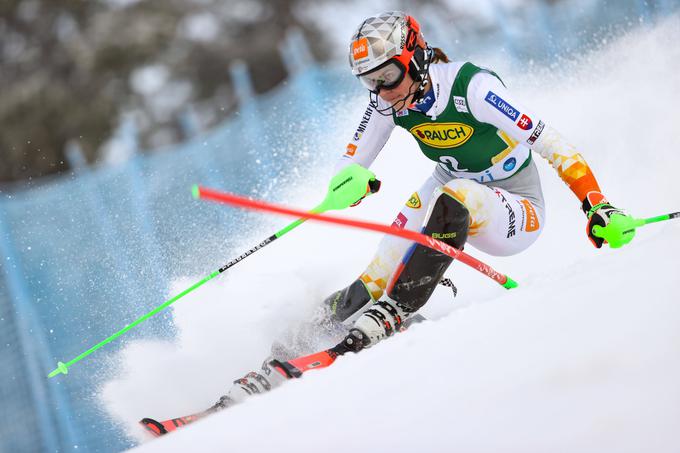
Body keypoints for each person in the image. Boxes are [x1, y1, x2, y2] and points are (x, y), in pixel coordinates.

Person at [143, 11, 640, 432]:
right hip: (450, 187)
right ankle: (288, 348)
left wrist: (597, 205)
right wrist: (351, 182)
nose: (381, 91)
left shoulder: (474, 87)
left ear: (416, 59)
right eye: (369, 81)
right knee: (377, 270)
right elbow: (353, 159)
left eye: (388, 76)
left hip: (516, 207)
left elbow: (553, 143)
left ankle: (394, 313)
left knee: (456, 194)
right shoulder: (386, 100)